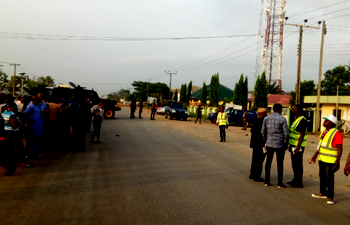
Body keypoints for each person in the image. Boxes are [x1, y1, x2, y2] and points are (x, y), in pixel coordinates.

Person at [311, 115, 343, 205]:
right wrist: (315, 155)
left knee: (329, 179)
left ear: (332, 123)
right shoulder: (323, 132)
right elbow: (321, 146)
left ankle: (330, 196)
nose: (324, 122)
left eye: (326, 121)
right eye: (324, 120)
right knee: (322, 177)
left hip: (330, 160)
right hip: (322, 158)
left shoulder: (336, 133)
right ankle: (323, 193)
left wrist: (338, 160)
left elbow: (340, 147)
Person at [261, 103, 289, 188]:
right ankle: (279, 183)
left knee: (268, 162)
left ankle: (267, 181)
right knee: (280, 163)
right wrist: (286, 142)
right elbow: (286, 133)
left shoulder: (266, 118)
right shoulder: (282, 119)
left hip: (269, 143)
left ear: (273, 109)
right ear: (280, 110)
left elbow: (262, 131)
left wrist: (266, 140)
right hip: (280, 144)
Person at [2, 103, 35, 168]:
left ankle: (10, 162)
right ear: (13, 107)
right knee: (20, 148)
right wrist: (20, 122)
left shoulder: (3, 114)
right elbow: (13, 125)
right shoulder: (12, 115)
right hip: (13, 133)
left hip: (6, 132)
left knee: (9, 148)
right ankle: (23, 162)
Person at [287, 105, 308, 188]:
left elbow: (301, 135)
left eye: (294, 109)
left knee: (298, 164)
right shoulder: (295, 119)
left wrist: (298, 147)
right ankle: (295, 179)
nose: (292, 110)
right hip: (293, 145)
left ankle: (299, 182)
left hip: (298, 146)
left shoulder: (302, 120)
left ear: (297, 110)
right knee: (294, 164)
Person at [249, 108, 267, 182]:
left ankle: (252, 174)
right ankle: (257, 176)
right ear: (263, 114)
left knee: (255, 159)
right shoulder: (263, 122)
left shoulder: (256, 121)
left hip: (255, 143)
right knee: (259, 160)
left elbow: (252, 130)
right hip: (261, 144)